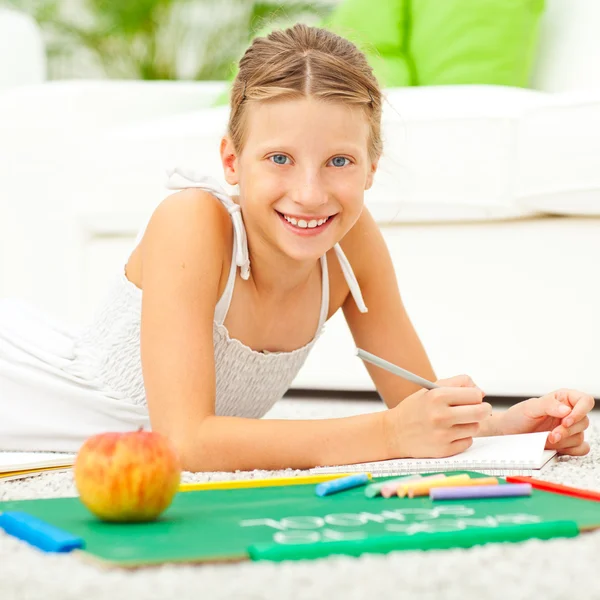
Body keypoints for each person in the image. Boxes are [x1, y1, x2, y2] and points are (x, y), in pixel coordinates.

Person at [0, 24, 594, 471]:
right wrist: (386, 437)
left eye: (339, 161)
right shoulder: (192, 222)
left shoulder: (352, 245)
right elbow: (183, 442)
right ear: (232, 162)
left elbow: (416, 405)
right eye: (279, 159)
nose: (309, 195)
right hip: (29, 395)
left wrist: (509, 426)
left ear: (371, 168)